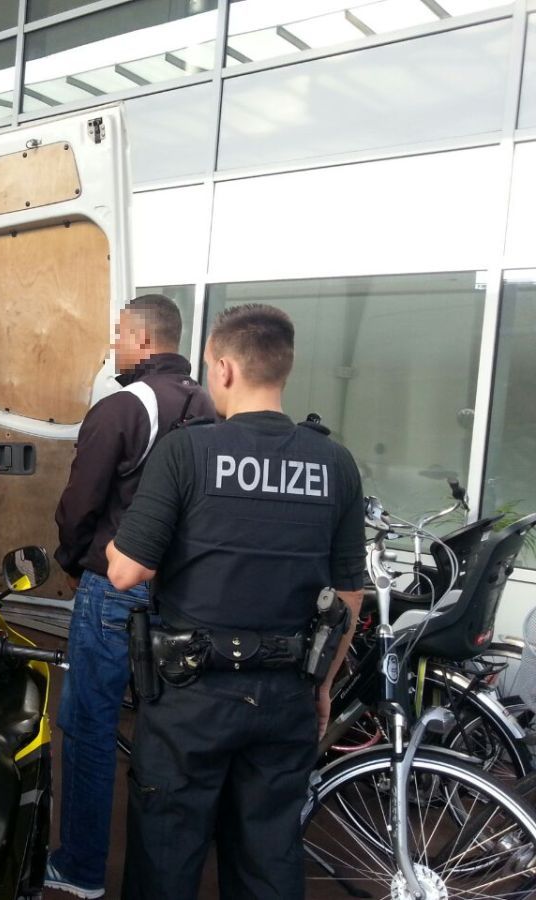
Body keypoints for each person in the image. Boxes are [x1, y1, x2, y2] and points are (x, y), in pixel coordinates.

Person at [106, 303, 365, 900]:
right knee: (268, 858)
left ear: (224, 369)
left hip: (191, 698)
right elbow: (349, 594)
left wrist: (126, 536)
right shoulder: (335, 464)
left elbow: (125, 572)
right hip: (287, 694)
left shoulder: (187, 452)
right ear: (283, 368)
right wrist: (323, 684)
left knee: (166, 856)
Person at [45, 295, 213, 900]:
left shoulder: (122, 408)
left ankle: (81, 869)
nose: (113, 344)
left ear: (142, 340)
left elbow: (79, 506)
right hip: (184, 594)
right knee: (169, 732)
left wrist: (74, 563)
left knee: (89, 725)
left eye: (118, 333)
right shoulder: (211, 407)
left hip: (114, 591)